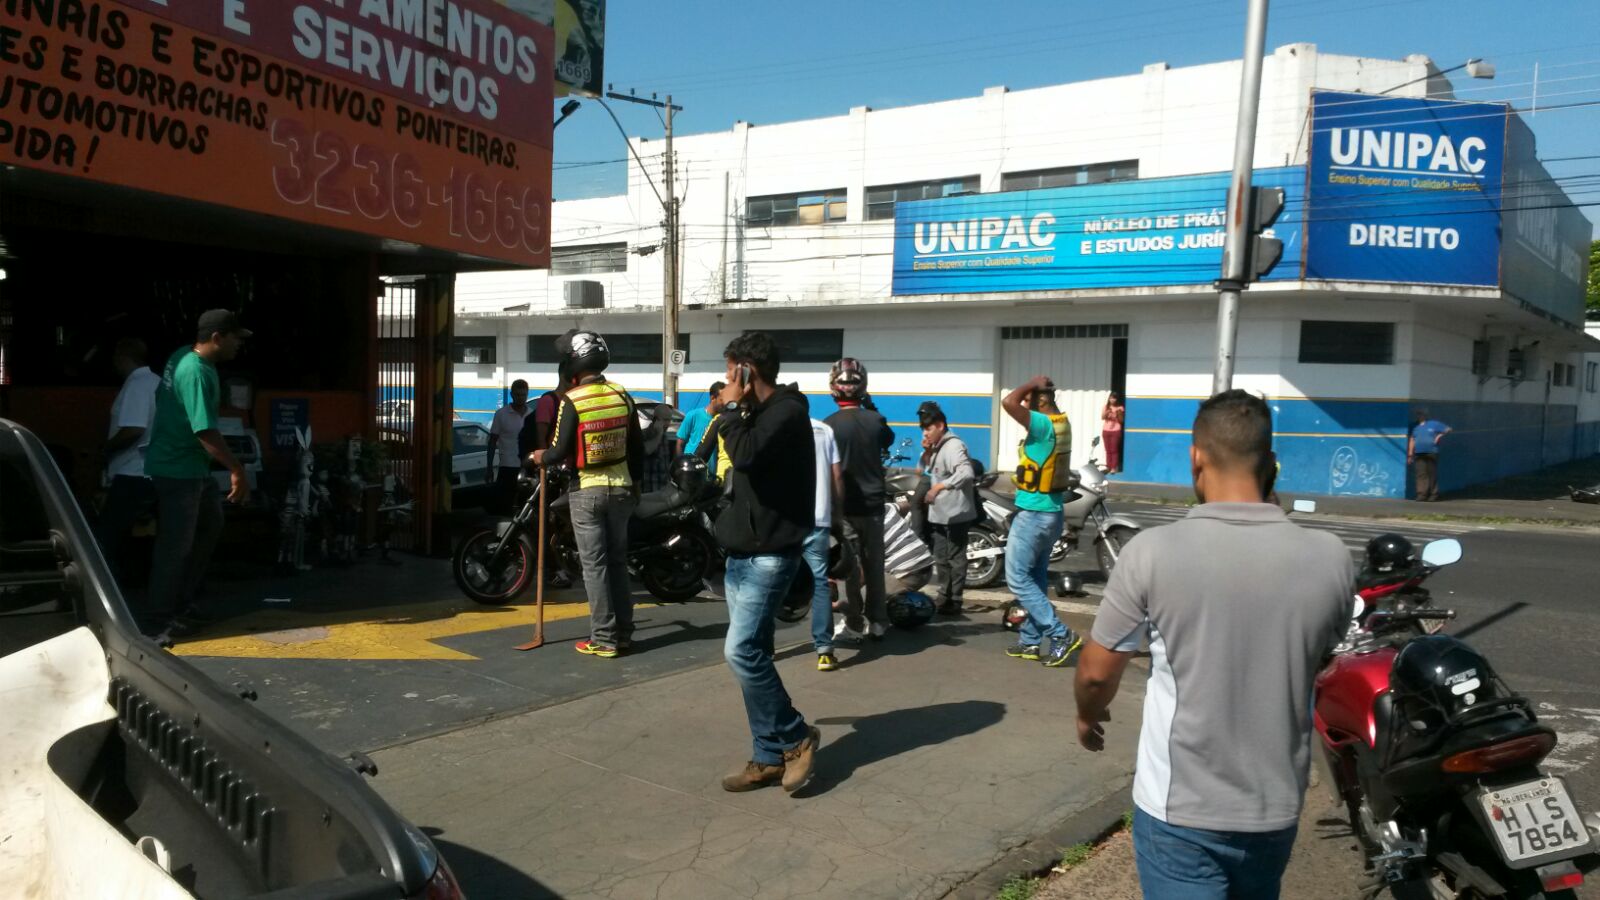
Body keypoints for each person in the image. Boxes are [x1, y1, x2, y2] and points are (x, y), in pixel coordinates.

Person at [1074, 390, 1351, 899]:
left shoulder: (1151, 552)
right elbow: (1322, 656)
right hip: (1274, 807)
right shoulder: (1330, 556)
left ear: (1195, 457)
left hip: (1178, 811)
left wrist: (1087, 717)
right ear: (1270, 463)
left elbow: (1095, 673)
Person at [712, 331, 821, 793]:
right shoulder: (757, 414)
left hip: (771, 555)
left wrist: (732, 409)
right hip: (742, 552)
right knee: (751, 657)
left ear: (746, 370)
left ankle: (796, 736)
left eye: (729, 370)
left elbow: (745, 454)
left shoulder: (787, 412)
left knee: (740, 652)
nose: (725, 379)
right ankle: (767, 755)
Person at [532, 331, 644, 658]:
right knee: (618, 562)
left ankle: (604, 638)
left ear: (574, 365)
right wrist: (636, 485)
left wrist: (539, 456)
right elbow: (636, 448)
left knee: (594, 567)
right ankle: (624, 633)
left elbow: (558, 450)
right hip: (622, 490)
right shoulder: (622, 395)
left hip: (587, 492)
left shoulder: (573, 400)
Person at [144, 310, 253, 641]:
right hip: (178, 469)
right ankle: (159, 619)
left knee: (209, 525)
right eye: (235, 338)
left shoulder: (182, 356)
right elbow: (204, 431)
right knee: (176, 545)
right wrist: (237, 469)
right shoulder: (195, 372)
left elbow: (162, 397)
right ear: (217, 338)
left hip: (190, 467)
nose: (239, 344)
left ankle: (181, 601)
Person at [1000, 375, 1080, 667]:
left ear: (1042, 400)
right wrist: (1033, 389)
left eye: (1029, 400)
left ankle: (1060, 634)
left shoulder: (1044, 424)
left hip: (1033, 515)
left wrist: (1031, 383)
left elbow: (1008, 402)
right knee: (1035, 577)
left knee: (1017, 578)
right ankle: (1030, 641)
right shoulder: (1061, 422)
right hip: (1051, 513)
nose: (1024, 404)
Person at [825, 358, 894, 642]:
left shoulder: (828, 425)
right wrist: (870, 405)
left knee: (850, 569)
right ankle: (878, 622)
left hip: (845, 507)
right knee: (874, 565)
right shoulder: (875, 421)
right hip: (874, 506)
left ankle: (854, 622)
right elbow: (888, 439)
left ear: (834, 388)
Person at [96, 338, 161, 578]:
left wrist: (106, 448)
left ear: (122, 357)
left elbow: (134, 428)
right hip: (155, 470)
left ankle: (101, 583)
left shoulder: (136, 385)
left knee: (107, 534)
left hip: (132, 470)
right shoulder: (157, 382)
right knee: (145, 532)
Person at [917, 402, 976, 616]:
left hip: (956, 513)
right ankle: (943, 596)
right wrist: (926, 452)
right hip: (940, 514)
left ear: (940, 425)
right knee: (940, 558)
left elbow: (966, 473)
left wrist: (939, 487)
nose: (925, 433)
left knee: (956, 558)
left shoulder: (953, 446)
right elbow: (921, 471)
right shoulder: (936, 447)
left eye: (928, 428)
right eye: (923, 429)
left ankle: (955, 599)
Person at [519, 371, 573, 589]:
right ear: (565, 376)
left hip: (569, 472)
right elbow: (542, 439)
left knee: (563, 524)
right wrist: (547, 465)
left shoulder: (572, 400)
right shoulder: (549, 401)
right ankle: (552, 569)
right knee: (546, 523)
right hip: (552, 473)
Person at [803, 417, 844, 671]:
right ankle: (824, 650)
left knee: (776, 581)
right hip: (819, 519)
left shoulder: (777, 425)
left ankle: (766, 646)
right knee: (820, 582)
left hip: (786, 521)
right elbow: (837, 476)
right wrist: (837, 513)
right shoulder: (824, 429)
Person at [487, 379, 531, 513]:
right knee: (504, 504)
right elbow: (492, 442)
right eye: (518, 395)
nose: (521, 398)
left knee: (525, 505)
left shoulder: (531, 414)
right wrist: (489, 468)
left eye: (523, 395)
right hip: (507, 467)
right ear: (512, 395)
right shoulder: (501, 414)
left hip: (526, 466)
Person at [1408, 409, 1451, 502]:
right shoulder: (1414, 426)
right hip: (1419, 453)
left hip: (1432, 452)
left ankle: (1433, 494)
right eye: (1418, 414)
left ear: (1426, 415)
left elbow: (1448, 429)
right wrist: (1410, 454)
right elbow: (1412, 439)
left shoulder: (1433, 424)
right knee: (1421, 474)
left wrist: (1439, 436)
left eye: (1422, 414)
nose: (1420, 416)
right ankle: (1422, 494)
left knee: (1432, 473)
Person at [675, 382, 725, 456]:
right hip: (691, 462)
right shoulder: (693, 415)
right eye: (722, 400)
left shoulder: (723, 420)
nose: (725, 403)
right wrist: (681, 461)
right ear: (713, 398)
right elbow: (680, 444)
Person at [1101, 392, 1125, 474]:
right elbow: (1102, 417)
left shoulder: (1120, 408)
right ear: (1109, 398)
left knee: (1114, 450)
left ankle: (1113, 467)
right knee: (1107, 450)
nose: (1112, 400)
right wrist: (1107, 412)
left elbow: (1121, 421)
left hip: (1116, 431)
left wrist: (1118, 413)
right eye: (1111, 398)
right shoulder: (1106, 407)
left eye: (1114, 398)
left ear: (1117, 399)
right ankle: (1108, 466)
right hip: (1106, 430)